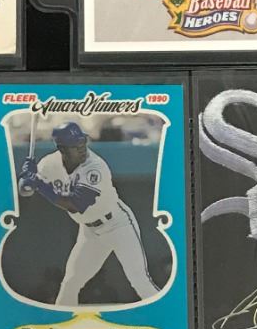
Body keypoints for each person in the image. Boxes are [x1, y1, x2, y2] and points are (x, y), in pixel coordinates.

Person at [19, 122, 157, 306]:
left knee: (139, 280)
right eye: (75, 145)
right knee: (71, 282)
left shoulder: (95, 166)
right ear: (62, 148)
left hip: (117, 224)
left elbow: (76, 205)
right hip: (90, 231)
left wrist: (39, 185)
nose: (82, 148)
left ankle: (167, 316)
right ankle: (61, 320)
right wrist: (27, 178)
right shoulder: (49, 164)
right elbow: (25, 191)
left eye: (82, 142)